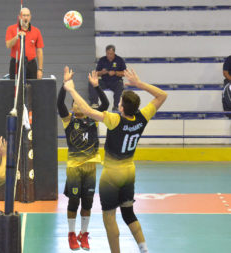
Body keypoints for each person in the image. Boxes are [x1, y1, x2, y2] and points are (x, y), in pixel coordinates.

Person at [64, 67, 167, 253]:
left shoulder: (115, 120)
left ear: (121, 107)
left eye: (119, 102)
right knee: (129, 214)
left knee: (109, 218)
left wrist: (71, 89)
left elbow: (86, 110)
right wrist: (139, 83)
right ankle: (144, 249)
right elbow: (162, 96)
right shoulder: (142, 117)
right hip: (129, 173)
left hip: (111, 175)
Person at [58, 66, 109, 251]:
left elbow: (105, 105)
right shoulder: (68, 121)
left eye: (81, 104)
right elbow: (59, 104)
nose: (78, 105)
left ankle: (84, 234)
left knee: (88, 202)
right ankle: (71, 234)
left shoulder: (92, 118)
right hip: (74, 168)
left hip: (90, 168)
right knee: (73, 202)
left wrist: (96, 87)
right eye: (75, 104)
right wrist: (65, 85)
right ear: (72, 107)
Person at [5, 7, 44, 80]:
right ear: (19, 17)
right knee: (15, 87)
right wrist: (17, 36)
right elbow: (8, 45)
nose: (26, 17)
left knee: (32, 88)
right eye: (24, 15)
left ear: (30, 17)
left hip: (31, 64)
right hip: (16, 63)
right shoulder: (11, 29)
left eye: (28, 15)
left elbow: (39, 50)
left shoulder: (36, 31)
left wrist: (40, 69)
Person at [89, 45, 126, 111]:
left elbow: (124, 73)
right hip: (104, 81)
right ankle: (94, 104)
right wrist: (102, 72)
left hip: (115, 82)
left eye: (111, 54)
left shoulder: (119, 60)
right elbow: (96, 73)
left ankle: (116, 106)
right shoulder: (102, 60)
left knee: (120, 85)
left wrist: (115, 73)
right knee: (92, 82)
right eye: (107, 53)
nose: (109, 55)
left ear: (114, 52)